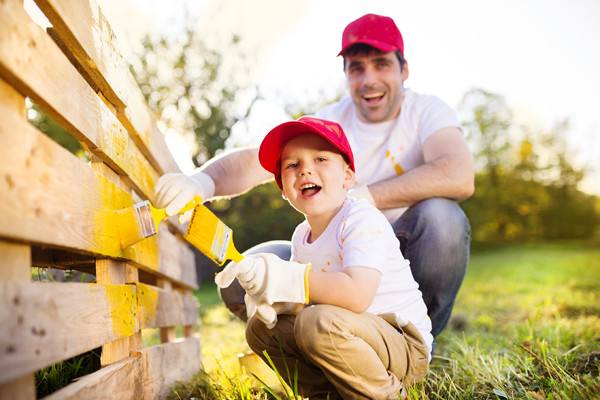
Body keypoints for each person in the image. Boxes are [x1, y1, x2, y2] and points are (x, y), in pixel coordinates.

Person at [153, 13, 474, 337]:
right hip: (338, 256)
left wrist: (364, 198)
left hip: (403, 252)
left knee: (442, 218)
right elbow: (253, 160)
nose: (369, 79)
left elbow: (457, 173)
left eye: (381, 64)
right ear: (346, 74)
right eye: (357, 68)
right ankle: (314, 351)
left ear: (403, 70)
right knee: (242, 277)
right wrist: (200, 182)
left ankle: (419, 339)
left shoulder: (427, 111)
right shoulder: (330, 122)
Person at [214, 116, 431, 399]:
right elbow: (299, 302)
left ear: (348, 177)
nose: (305, 170)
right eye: (292, 165)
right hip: (347, 338)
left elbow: (356, 296)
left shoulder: (359, 218)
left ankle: (388, 394)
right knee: (262, 329)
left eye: (320, 159)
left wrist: (289, 278)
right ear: (283, 189)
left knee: (316, 322)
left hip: (403, 347)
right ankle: (326, 394)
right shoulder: (300, 235)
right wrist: (269, 295)